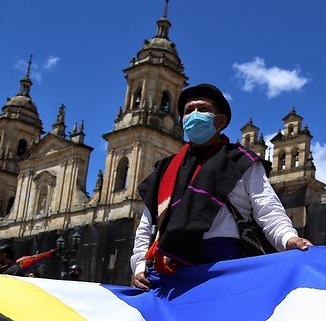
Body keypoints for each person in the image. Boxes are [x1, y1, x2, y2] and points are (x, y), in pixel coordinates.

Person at [130, 83, 312, 291]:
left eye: (203, 109)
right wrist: (140, 265)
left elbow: (267, 208)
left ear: (221, 120)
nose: (195, 114)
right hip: (170, 267)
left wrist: (288, 238)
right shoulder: (164, 170)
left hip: (225, 263)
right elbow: (148, 224)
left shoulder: (240, 160)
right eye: (189, 111)